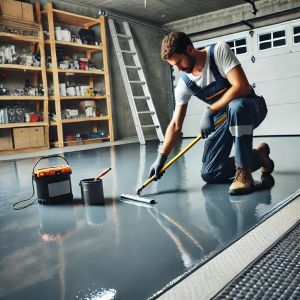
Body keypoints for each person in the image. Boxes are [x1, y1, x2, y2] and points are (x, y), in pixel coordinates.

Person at [149, 32, 274, 195]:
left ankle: (244, 174)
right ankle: (259, 156)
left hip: (251, 108)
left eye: (179, 62)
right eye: (174, 66)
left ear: (189, 49)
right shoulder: (185, 84)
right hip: (225, 119)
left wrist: (210, 110)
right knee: (210, 172)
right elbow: (175, 125)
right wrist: (161, 158)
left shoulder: (218, 52)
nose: (179, 68)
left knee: (236, 106)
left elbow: (241, 87)